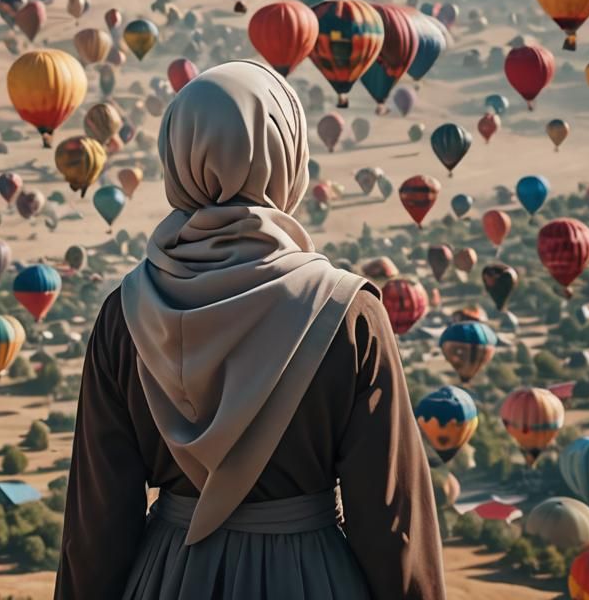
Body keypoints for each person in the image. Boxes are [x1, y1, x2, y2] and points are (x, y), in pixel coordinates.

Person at [57, 61, 445, 600]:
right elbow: (391, 520)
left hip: (169, 577)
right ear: (287, 157)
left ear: (177, 156)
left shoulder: (123, 312)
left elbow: (97, 520)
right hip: (310, 579)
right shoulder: (348, 313)